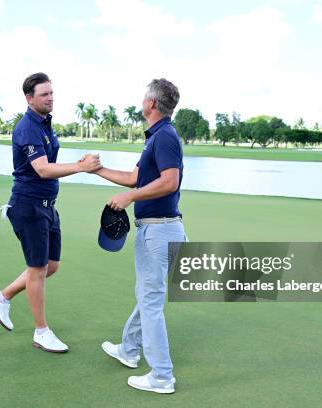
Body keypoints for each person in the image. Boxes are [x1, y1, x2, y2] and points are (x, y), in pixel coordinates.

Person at [0, 72, 101, 353]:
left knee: (51, 265)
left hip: (48, 207)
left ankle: (2, 297)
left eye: (51, 93)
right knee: (37, 270)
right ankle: (41, 332)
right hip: (29, 207)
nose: (50, 98)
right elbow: (42, 169)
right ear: (29, 98)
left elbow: (49, 165)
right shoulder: (27, 127)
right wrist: (80, 166)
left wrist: (78, 163)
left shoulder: (46, 125)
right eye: (44, 94)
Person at [95, 79, 186, 394]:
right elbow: (135, 178)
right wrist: (97, 170)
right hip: (161, 228)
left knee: (150, 301)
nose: (141, 101)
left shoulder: (165, 137)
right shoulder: (156, 138)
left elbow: (169, 181)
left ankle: (162, 376)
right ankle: (129, 350)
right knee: (150, 296)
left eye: (144, 97)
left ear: (152, 104)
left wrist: (131, 198)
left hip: (158, 230)